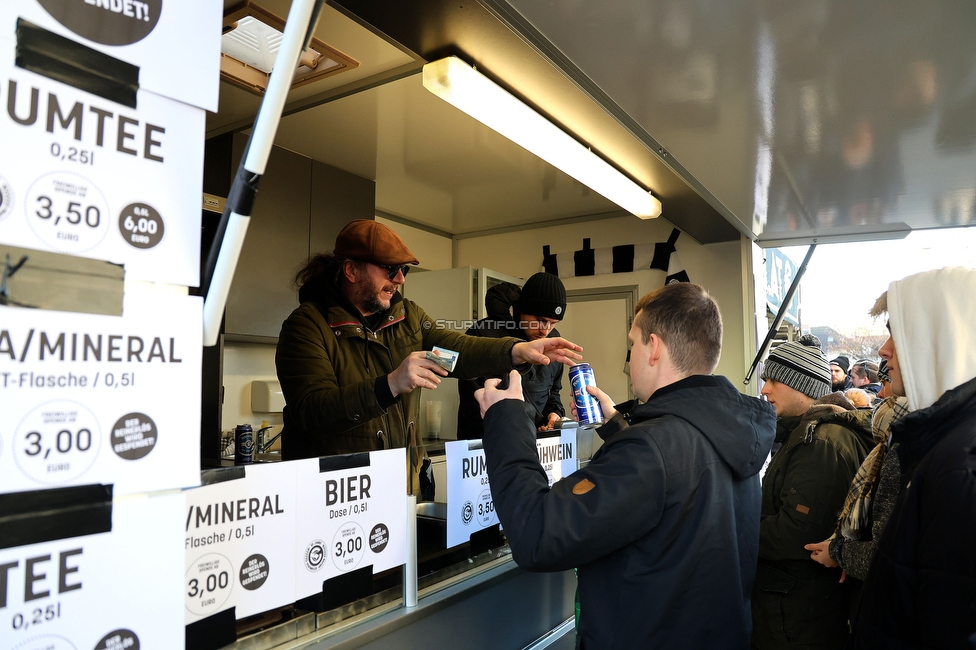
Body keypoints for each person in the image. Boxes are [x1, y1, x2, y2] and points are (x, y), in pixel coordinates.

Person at [475, 283, 776, 648]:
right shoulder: (735, 434)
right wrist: (616, 428)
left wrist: (504, 417)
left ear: (655, 349)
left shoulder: (651, 449)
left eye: (633, 344)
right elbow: (671, 492)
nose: (629, 356)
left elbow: (537, 532)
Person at [275, 219, 582, 495]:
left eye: (403, 270)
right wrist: (391, 385)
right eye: (389, 269)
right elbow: (312, 412)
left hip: (400, 486)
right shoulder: (306, 326)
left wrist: (516, 351)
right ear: (351, 270)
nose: (400, 280)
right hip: (334, 494)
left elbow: (455, 353)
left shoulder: (408, 319)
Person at [845, 267, 976, 648]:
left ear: (942, 336)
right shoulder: (943, 445)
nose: (883, 351)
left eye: (897, 333)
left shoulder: (959, 467)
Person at [753, 335, 874, 649]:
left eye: (773, 380)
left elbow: (798, 532)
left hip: (798, 612)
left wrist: (736, 528)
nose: (764, 389)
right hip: (797, 604)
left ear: (800, 385)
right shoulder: (811, 434)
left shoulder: (821, 441)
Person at [457, 272, 567, 439]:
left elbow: (553, 392)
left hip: (534, 446)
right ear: (522, 309)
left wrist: (553, 414)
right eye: (540, 320)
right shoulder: (482, 334)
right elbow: (475, 400)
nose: (545, 330)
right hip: (483, 448)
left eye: (552, 323)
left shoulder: (551, 342)